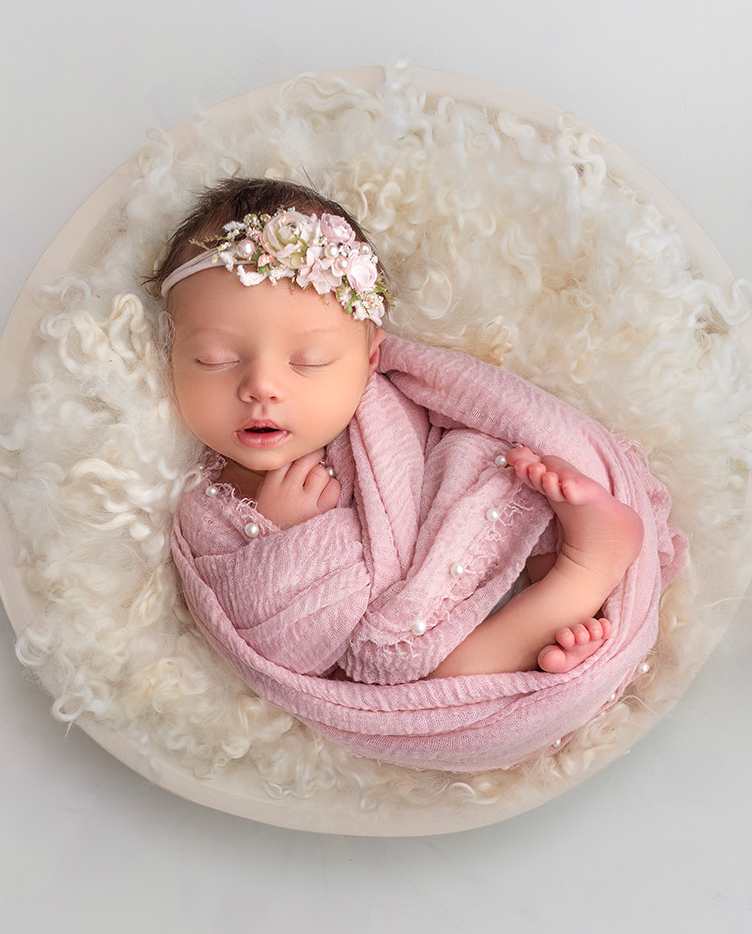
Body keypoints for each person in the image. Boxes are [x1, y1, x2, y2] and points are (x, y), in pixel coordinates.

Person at [154, 177, 644, 679]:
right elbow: (282, 655)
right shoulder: (204, 510)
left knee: (501, 475)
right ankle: (583, 576)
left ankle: (563, 575)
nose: (261, 387)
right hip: (427, 639)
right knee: (392, 662)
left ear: (369, 361)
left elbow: (475, 410)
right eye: (214, 360)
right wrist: (292, 539)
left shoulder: (387, 399)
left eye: (311, 360)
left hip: (467, 528)